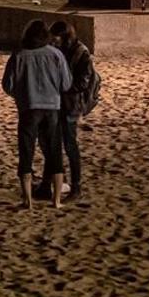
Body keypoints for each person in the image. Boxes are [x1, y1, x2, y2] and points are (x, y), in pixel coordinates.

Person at [2, 20, 71, 209]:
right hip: (51, 108)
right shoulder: (56, 55)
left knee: (26, 153)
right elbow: (66, 84)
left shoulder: (19, 55)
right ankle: (56, 200)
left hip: (28, 108)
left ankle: (28, 200)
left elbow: (7, 85)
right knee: (55, 152)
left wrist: (21, 93)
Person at [51, 21, 95, 203]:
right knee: (54, 145)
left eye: (57, 38)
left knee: (70, 145)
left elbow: (83, 82)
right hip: (59, 103)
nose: (54, 41)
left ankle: (76, 186)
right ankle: (60, 183)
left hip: (70, 105)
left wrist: (63, 87)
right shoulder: (62, 50)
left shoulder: (80, 52)